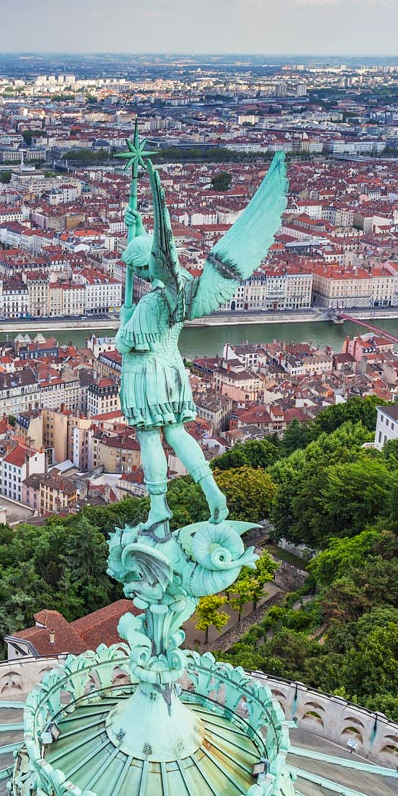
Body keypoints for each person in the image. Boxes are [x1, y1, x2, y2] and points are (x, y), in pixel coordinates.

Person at [116, 152, 287, 530]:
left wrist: (124, 320)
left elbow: (123, 346)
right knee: (177, 433)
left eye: (136, 267)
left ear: (143, 268)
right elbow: (161, 261)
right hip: (173, 368)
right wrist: (141, 226)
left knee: (149, 439)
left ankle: (159, 509)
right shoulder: (184, 295)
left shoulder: (148, 303)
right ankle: (213, 492)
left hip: (145, 373)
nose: (136, 272)